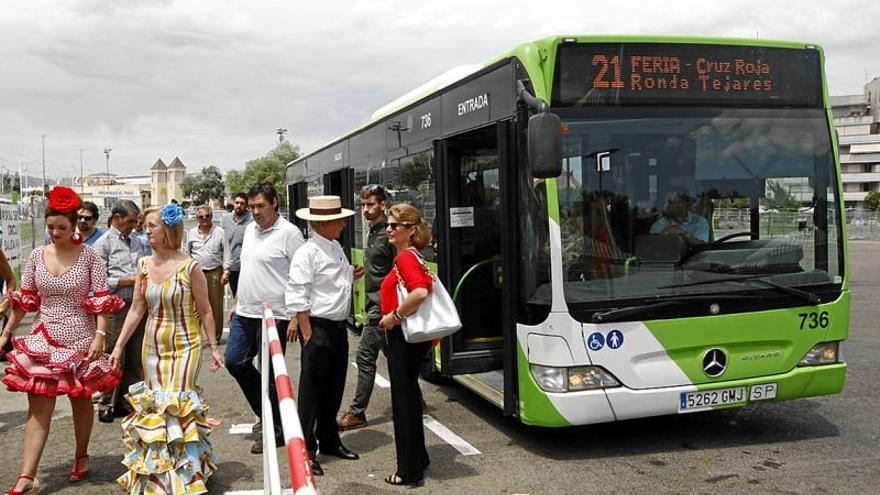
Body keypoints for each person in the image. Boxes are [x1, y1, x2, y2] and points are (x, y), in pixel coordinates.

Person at [0, 186, 124, 495]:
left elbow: (100, 300)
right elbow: (26, 300)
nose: (55, 232)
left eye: (62, 227)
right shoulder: (36, 256)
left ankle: (81, 456)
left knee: (80, 401)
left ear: (75, 225)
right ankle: (27, 475)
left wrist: (99, 335)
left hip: (81, 341)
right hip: (43, 339)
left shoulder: (90, 258)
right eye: (50, 227)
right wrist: (6, 333)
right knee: (38, 408)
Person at [108, 203, 225, 494]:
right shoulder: (143, 266)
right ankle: (158, 476)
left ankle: (184, 476)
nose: (145, 231)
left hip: (187, 345)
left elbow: (206, 311)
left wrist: (214, 347)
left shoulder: (190, 267)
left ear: (169, 229)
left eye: (152, 226)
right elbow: (136, 309)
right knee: (156, 405)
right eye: (144, 226)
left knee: (178, 405)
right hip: (153, 346)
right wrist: (119, 347)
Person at [287, 195, 364, 476]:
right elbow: (297, 295)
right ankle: (306, 449)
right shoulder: (307, 253)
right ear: (323, 223)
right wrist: (308, 333)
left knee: (333, 389)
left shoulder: (334, 247)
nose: (344, 224)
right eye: (339, 220)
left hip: (337, 328)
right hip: (318, 328)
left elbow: (331, 282)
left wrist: (351, 274)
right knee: (311, 394)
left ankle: (329, 440)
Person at [226, 182, 304, 454]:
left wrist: (296, 315)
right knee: (234, 361)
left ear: (275, 204)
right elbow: (248, 269)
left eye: (260, 206)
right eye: (252, 207)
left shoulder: (290, 234)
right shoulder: (249, 230)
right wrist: (235, 303)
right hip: (245, 312)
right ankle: (268, 414)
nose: (255, 212)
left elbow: (300, 276)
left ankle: (278, 429)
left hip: (275, 316)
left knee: (271, 374)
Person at [378, 204, 434, 487]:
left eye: (394, 226)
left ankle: (407, 470)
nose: (388, 229)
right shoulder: (412, 256)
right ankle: (418, 459)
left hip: (403, 336)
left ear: (410, 230)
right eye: (388, 225)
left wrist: (394, 316)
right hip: (409, 338)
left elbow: (421, 292)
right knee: (409, 397)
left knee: (404, 403)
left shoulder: (405, 259)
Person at [338, 185, 396, 430]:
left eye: (371, 204)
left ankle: (357, 412)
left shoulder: (389, 234)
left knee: (364, 357)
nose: (365, 209)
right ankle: (416, 399)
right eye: (363, 205)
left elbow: (398, 268)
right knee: (395, 358)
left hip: (382, 310)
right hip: (376, 306)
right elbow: (379, 267)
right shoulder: (372, 232)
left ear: (383, 205)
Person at [93, 200, 147, 423]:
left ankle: (128, 402)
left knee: (136, 356)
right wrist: (129, 280)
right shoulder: (103, 244)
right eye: (130, 221)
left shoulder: (136, 241)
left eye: (136, 222)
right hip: (115, 308)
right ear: (116, 218)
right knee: (114, 355)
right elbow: (100, 281)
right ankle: (107, 402)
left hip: (137, 305)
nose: (134, 226)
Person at [184, 205, 230, 344]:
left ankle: (214, 337)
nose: (204, 219)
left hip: (215, 272)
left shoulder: (219, 232)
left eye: (207, 216)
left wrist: (226, 271)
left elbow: (226, 252)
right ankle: (195, 337)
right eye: (201, 217)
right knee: (195, 306)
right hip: (197, 273)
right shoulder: (191, 233)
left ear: (211, 216)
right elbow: (187, 253)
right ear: (197, 218)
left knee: (215, 306)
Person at [222, 192, 253, 297]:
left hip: (247, 266)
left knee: (246, 296)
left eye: (242, 203)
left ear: (247, 205)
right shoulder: (226, 219)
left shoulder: (252, 220)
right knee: (235, 294)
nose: (239, 205)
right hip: (231, 266)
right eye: (237, 202)